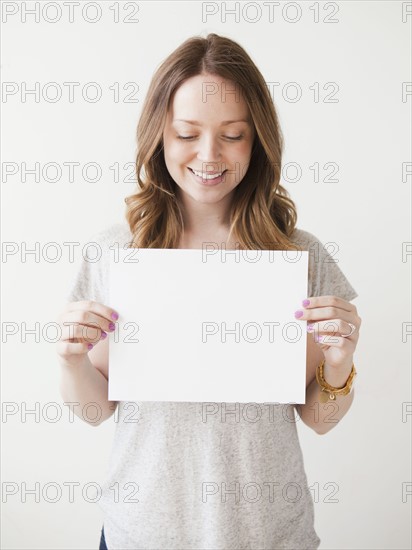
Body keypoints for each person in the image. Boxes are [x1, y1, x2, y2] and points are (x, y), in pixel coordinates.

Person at [57, 33, 361, 550]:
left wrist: (340, 364)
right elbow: (95, 411)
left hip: (269, 536)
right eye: (186, 133)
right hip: (143, 534)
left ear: (258, 138)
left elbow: (319, 419)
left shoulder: (296, 254)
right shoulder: (118, 251)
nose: (209, 154)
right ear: (160, 136)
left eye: (233, 134)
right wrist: (69, 360)